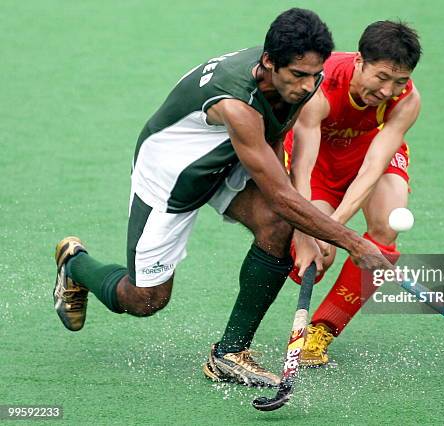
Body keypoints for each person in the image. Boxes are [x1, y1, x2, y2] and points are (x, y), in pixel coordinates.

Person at [53, 8, 391, 388]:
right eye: (298, 76)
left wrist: (304, 232)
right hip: (173, 174)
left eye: (315, 75)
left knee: (279, 226)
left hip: (231, 154)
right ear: (268, 63)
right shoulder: (236, 102)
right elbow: (280, 194)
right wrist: (353, 243)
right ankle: (75, 266)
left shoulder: (298, 79)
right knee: (146, 299)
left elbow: (276, 142)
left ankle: (229, 353)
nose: (307, 86)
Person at [284, 20, 422, 366]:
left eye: (400, 81)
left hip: (366, 153)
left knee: (386, 230)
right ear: (360, 61)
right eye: (382, 77)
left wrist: (337, 227)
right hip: (318, 161)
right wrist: (314, 231)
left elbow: (374, 167)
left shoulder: (407, 100)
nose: (389, 90)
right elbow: (302, 167)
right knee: (316, 259)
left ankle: (323, 329)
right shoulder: (321, 84)